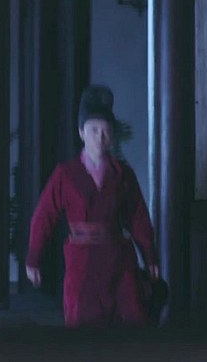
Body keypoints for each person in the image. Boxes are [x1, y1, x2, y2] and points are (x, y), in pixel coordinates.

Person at [25, 85, 160, 328]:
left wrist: (150, 256)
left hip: (118, 259)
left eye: (106, 131)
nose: (100, 137)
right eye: (94, 130)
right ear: (81, 132)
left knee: (133, 323)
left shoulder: (123, 174)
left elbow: (138, 217)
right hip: (82, 260)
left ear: (112, 135)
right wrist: (34, 257)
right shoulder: (66, 174)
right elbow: (44, 216)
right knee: (84, 326)